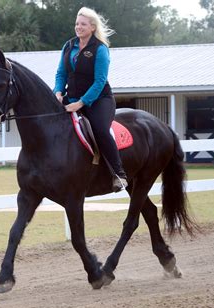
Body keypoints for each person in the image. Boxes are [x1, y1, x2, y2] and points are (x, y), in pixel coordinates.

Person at [53, 6, 127, 192]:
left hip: (99, 100)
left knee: (101, 130)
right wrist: (58, 92)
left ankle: (119, 174)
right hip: (72, 98)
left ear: (92, 27)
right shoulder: (68, 46)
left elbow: (100, 81)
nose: (78, 27)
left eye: (83, 24)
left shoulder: (100, 49)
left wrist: (81, 103)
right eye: (77, 24)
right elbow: (61, 73)